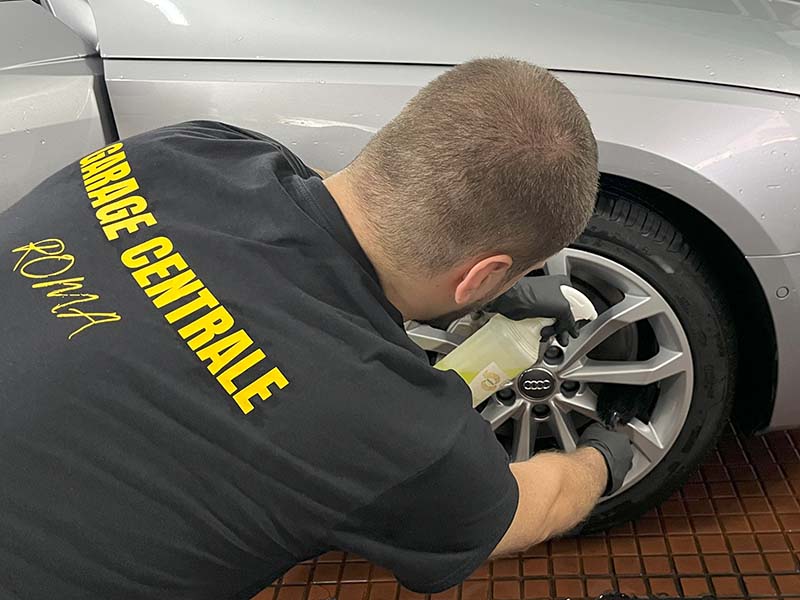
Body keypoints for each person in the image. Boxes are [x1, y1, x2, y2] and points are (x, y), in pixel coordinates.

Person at [0, 57, 632, 599]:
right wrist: (603, 459)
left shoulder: (191, 147)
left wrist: (476, 295)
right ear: (481, 276)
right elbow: (527, 509)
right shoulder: (392, 427)